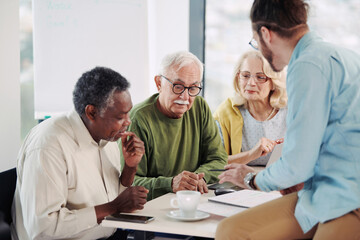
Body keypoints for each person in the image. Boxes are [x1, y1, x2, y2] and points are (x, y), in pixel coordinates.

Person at [216, 0, 360, 239]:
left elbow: (296, 163)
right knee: (232, 231)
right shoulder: (343, 56)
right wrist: (300, 177)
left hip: (347, 198)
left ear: (265, 34)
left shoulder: (307, 65)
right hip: (321, 190)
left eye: (255, 41)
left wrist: (251, 179)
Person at [11, 67, 149, 240]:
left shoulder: (106, 137)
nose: (128, 122)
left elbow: (113, 200)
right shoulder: (49, 145)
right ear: (91, 112)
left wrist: (130, 167)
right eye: (120, 117)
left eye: (128, 113)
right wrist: (114, 207)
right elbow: (43, 229)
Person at [120, 51, 227, 200]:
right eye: (178, 86)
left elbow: (219, 159)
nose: (185, 97)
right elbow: (127, 184)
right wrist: (170, 184)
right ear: (159, 83)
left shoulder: (200, 107)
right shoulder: (138, 119)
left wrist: (197, 179)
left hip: (190, 201)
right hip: (150, 209)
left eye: (193, 88)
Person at [213, 50, 287, 166]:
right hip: (239, 181)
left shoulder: (291, 112)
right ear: (238, 77)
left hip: (281, 182)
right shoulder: (225, 112)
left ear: (273, 83)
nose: (251, 83)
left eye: (260, 77)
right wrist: (251, 154)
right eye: (246, 75)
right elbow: (214, 162)